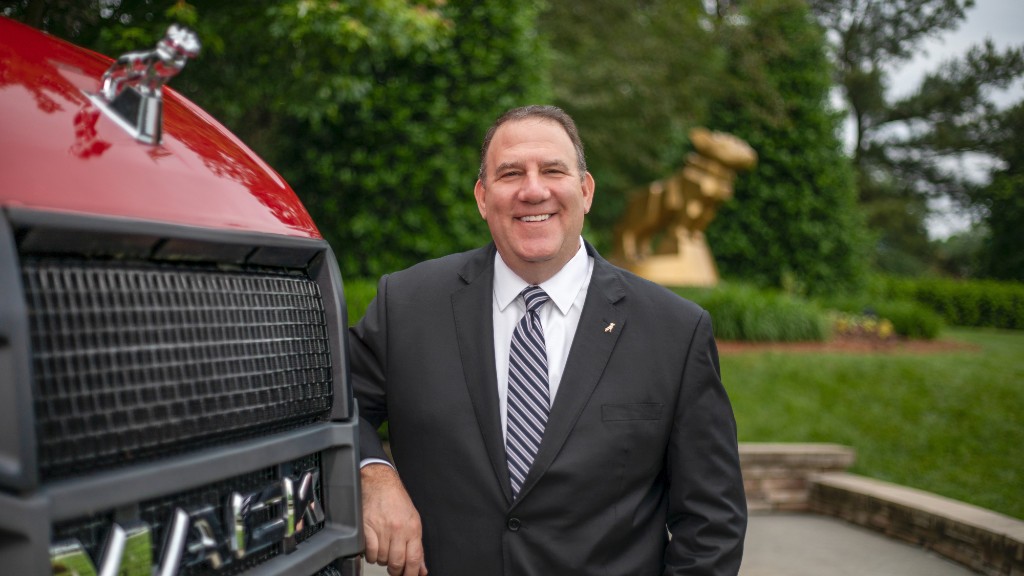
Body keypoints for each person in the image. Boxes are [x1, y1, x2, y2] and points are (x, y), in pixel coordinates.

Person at [350, 105, 747, 576]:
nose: (532, 190)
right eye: (510, 173)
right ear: (482, 197)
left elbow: (712, 524)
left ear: (585, 190)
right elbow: (333, 408)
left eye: (553, 170)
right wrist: (373, 474)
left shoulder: (675, 332)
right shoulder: (408, 305)